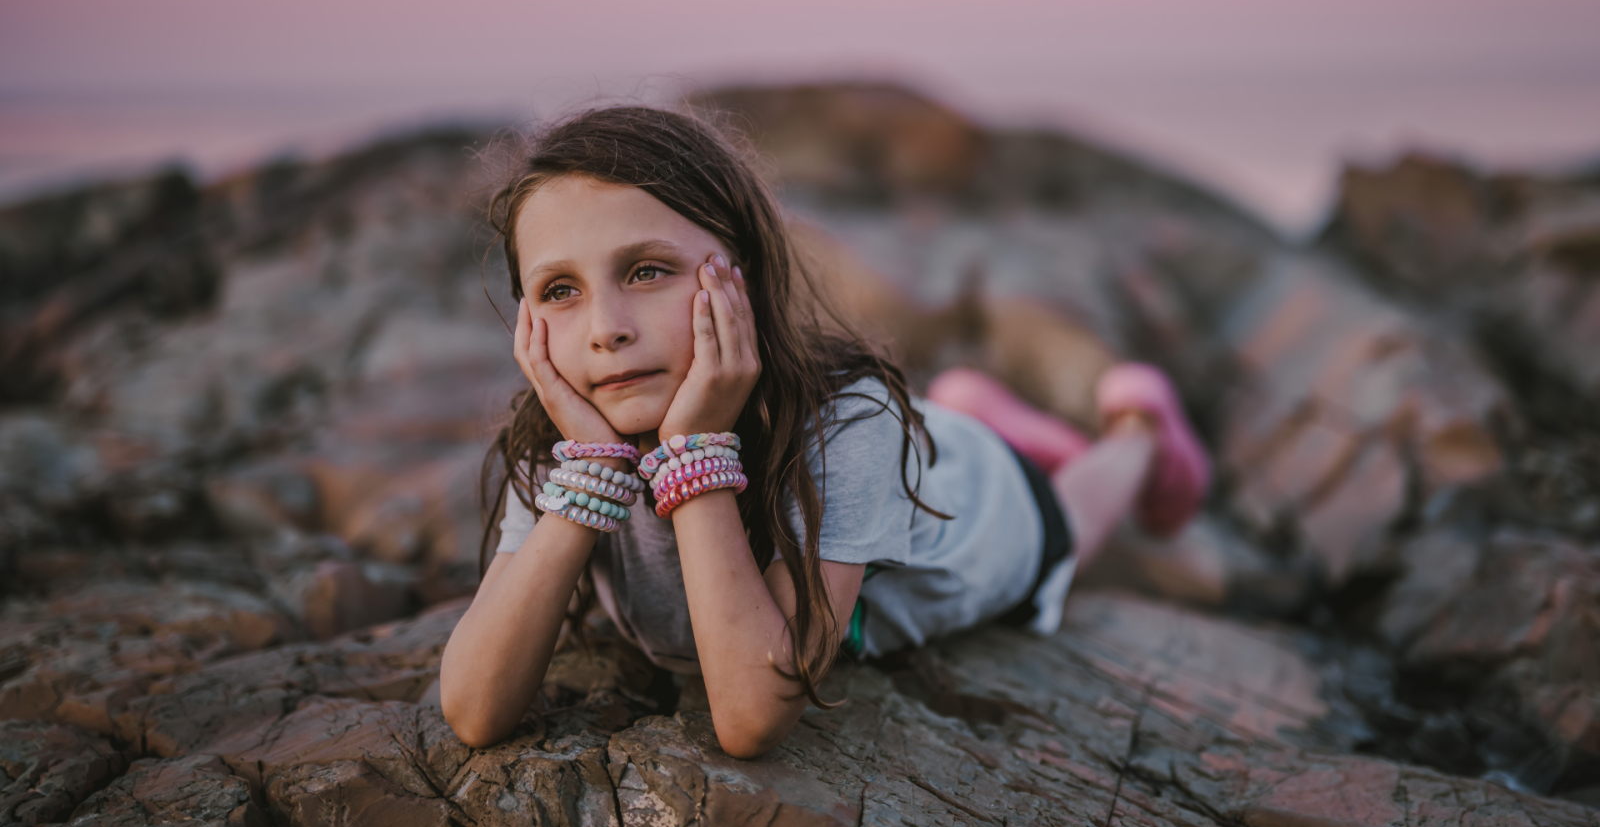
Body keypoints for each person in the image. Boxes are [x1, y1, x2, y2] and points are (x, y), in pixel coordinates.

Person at [439, 106, 1211, 758]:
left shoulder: (850, 420)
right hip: (914, 452)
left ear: (737, 270)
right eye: (560, 290)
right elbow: (473, 710)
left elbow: (750, 714)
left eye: (647, 271)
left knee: (1067, 516)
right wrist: (593, 471)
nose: (606, 329)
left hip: (980, 506)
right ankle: (969, 408)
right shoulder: (558, 448)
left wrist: (695, 449)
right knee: (943, 433)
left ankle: (1138, 426)